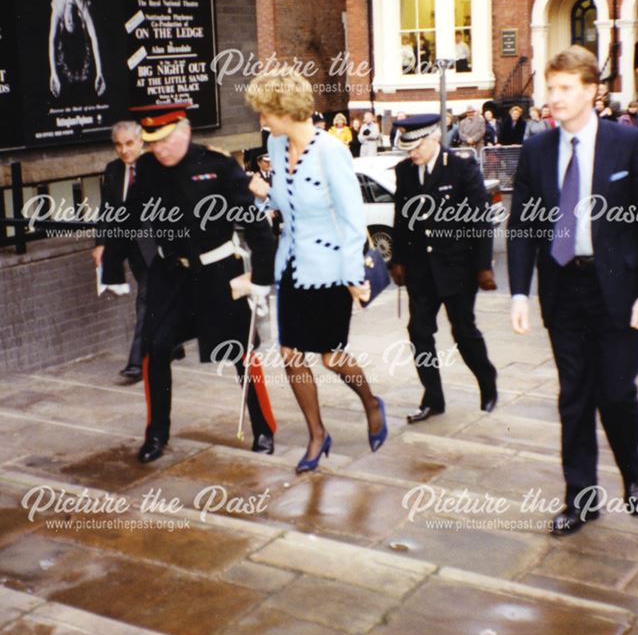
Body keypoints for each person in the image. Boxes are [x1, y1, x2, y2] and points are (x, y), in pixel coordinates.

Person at [508, 46, 638, 535]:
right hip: (563, 288)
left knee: (616, 392)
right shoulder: (536, 150)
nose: (553, 98)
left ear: (592, 91)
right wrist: (519, 293)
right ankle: (581, 497)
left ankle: (633, 473)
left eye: (564, 89)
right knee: (573, 395)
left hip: (618, 290)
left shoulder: (628, 145)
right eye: (549, 88)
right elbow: (522, 227)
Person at [245, 69, 387, 472]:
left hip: (330, 270)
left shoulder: (331, 152)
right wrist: (263, 195)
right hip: (291, 264)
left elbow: (351, 219)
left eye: (264, 113)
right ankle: (317, 435)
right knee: (290, 355)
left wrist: (352, 278)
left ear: (284, 109)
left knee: (331, 357)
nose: (262, 121)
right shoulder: (275, 143)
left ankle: (371, 403)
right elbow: (284, 201)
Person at [122, 108, 278, 463]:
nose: (158, 149)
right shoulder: (146, 169)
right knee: (155, 350)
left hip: (218, 272)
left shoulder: (218, 165)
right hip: (172, 276)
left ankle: (263, 428)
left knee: (240, 352)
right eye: (152, 142)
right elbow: (128, 213)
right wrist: (108, 246)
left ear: (185, 131)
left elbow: (256, 226)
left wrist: (262, 280)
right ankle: (156, 434)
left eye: (164, 140)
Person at [390, 114, 498, 422]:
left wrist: (482, 266)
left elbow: (480, 219)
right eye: (407, 148)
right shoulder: (405, 171)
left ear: (433, 138)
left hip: (457, 268)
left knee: (463, 332)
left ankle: (487, 381)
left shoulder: (462, 167)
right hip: (421, 269)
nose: (411, 154)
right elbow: (402, 218)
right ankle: (433, 398)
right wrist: (397, 259)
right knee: (419, 332)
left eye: (416, 147)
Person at [93, 121, 156, 383]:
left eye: (129, 143)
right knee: (151, 298)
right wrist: (101, 243)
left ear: (141, 142)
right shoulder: (112, 170)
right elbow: (107, 211)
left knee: (146, 299)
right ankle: (172, 344)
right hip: (128, 247)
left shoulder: (155, 167)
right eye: (118, 144)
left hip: (155, 246)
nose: (124, 150)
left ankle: (136, 363)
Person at [48, 0, 105, 98]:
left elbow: (52, 40)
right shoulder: (83, 6)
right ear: (80, 22)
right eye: (73, 21)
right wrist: (99, 71)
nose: (70, 18)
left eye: (68, 22)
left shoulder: (58, 8)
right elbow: (94, 38)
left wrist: (54, 73)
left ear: (62, 23)